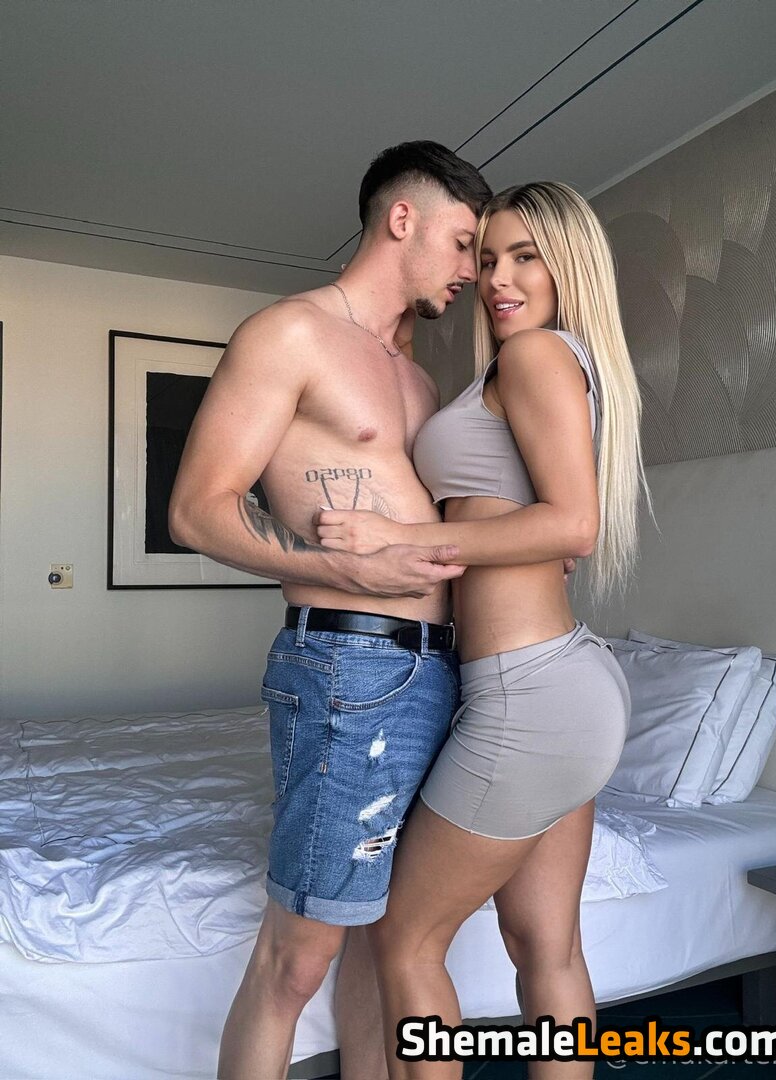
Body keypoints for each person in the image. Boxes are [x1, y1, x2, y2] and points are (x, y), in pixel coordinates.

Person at [168, 141, 493, 1080]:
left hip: (437, 668)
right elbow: (196, 510)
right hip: (349, 667)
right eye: (463, 243)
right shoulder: (290, 334)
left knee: (378, 936)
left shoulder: (417, 378)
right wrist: (345, 567)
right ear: (403, 219)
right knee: (297, 957)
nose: (471, 271)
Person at [315, 181, 649, 1079]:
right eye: (488, 257)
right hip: (564, 683)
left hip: (530, 693)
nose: (498, 279)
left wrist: (399, 538)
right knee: (548, 948)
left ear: (569, 266)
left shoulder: (535, 355)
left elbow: (572, 525)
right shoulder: (554, 363)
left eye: (524, 257)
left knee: (404, 937)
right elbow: (545, 520)